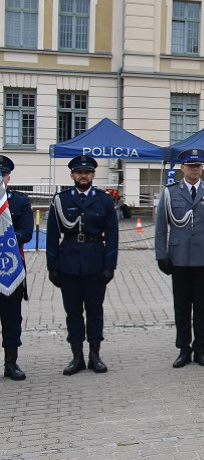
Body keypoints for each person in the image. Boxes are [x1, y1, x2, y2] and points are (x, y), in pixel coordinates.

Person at [154, 149, 204, 369]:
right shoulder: (170, 192)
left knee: (202, 307)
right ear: (182, 168)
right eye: (191, 166)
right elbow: (160, 228)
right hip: (178, 259)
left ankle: (200, 349)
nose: (195, 170)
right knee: (182, 307)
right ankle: (184, 349)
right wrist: (161, 255)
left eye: (198, 166)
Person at [46, 155, 119, 375]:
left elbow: (113, 235)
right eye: (79, 172)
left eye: (87, 172)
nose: (83, 175)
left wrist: (110, 265)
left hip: (95, 263)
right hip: (68, 264)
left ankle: (94, 355)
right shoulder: (61, 199)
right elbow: (51, 235)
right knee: (73, 312)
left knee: (95, 311)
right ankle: (76, 357)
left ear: (93, 175)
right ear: (72, 175)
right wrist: (52, 266)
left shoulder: (104, 200)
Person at [1, 156, 33, 380]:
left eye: (2, 174)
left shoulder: (20, 201)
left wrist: (8, 240)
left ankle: (10, 364)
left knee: (12, 318)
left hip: (10, 266)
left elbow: (27, 231)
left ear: (8, 177)